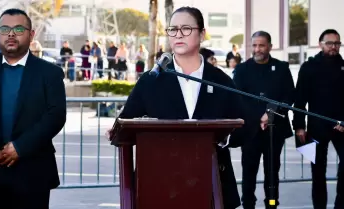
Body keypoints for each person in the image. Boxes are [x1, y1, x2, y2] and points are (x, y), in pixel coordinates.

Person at [113, 6, 253, 209]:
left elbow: (244, 126)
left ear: (202, 34)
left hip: (212, 185)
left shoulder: (219, 80)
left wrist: (222, 137)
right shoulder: (152, 80)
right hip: (160, 184)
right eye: (173, 29)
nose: (178, 34)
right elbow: (126, 121)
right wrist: (116, 128)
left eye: (186, 28)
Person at [0, 8, 66, 209]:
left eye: (18, 29)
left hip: (33, 168)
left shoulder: (50, 73)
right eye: (5, 29)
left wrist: (20, 147)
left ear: (31, 34)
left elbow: (55, 116)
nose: (11, 34)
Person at [293, 29, 344, 209]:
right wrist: (299, 126)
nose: (333, 47)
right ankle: (319, 206)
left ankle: (341, 205)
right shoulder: (309, 67)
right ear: (320, 44)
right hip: (317, 127)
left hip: (342, 127)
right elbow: (300, 99)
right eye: (329, 43)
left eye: (337, 43)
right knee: (318, 171)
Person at [233, 31, 295, 209]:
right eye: (254, 45)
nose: (257, 49)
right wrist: (257, 117)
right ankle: (248, 206)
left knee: (272, 173)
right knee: (249, 172)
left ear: (270, 46)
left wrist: (271, 113)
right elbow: (238, 99)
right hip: (250, 131)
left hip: (275, 131)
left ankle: (272, 204)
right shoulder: (242, 70)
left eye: (261, 45)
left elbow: (289, 95)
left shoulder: (282, 68)